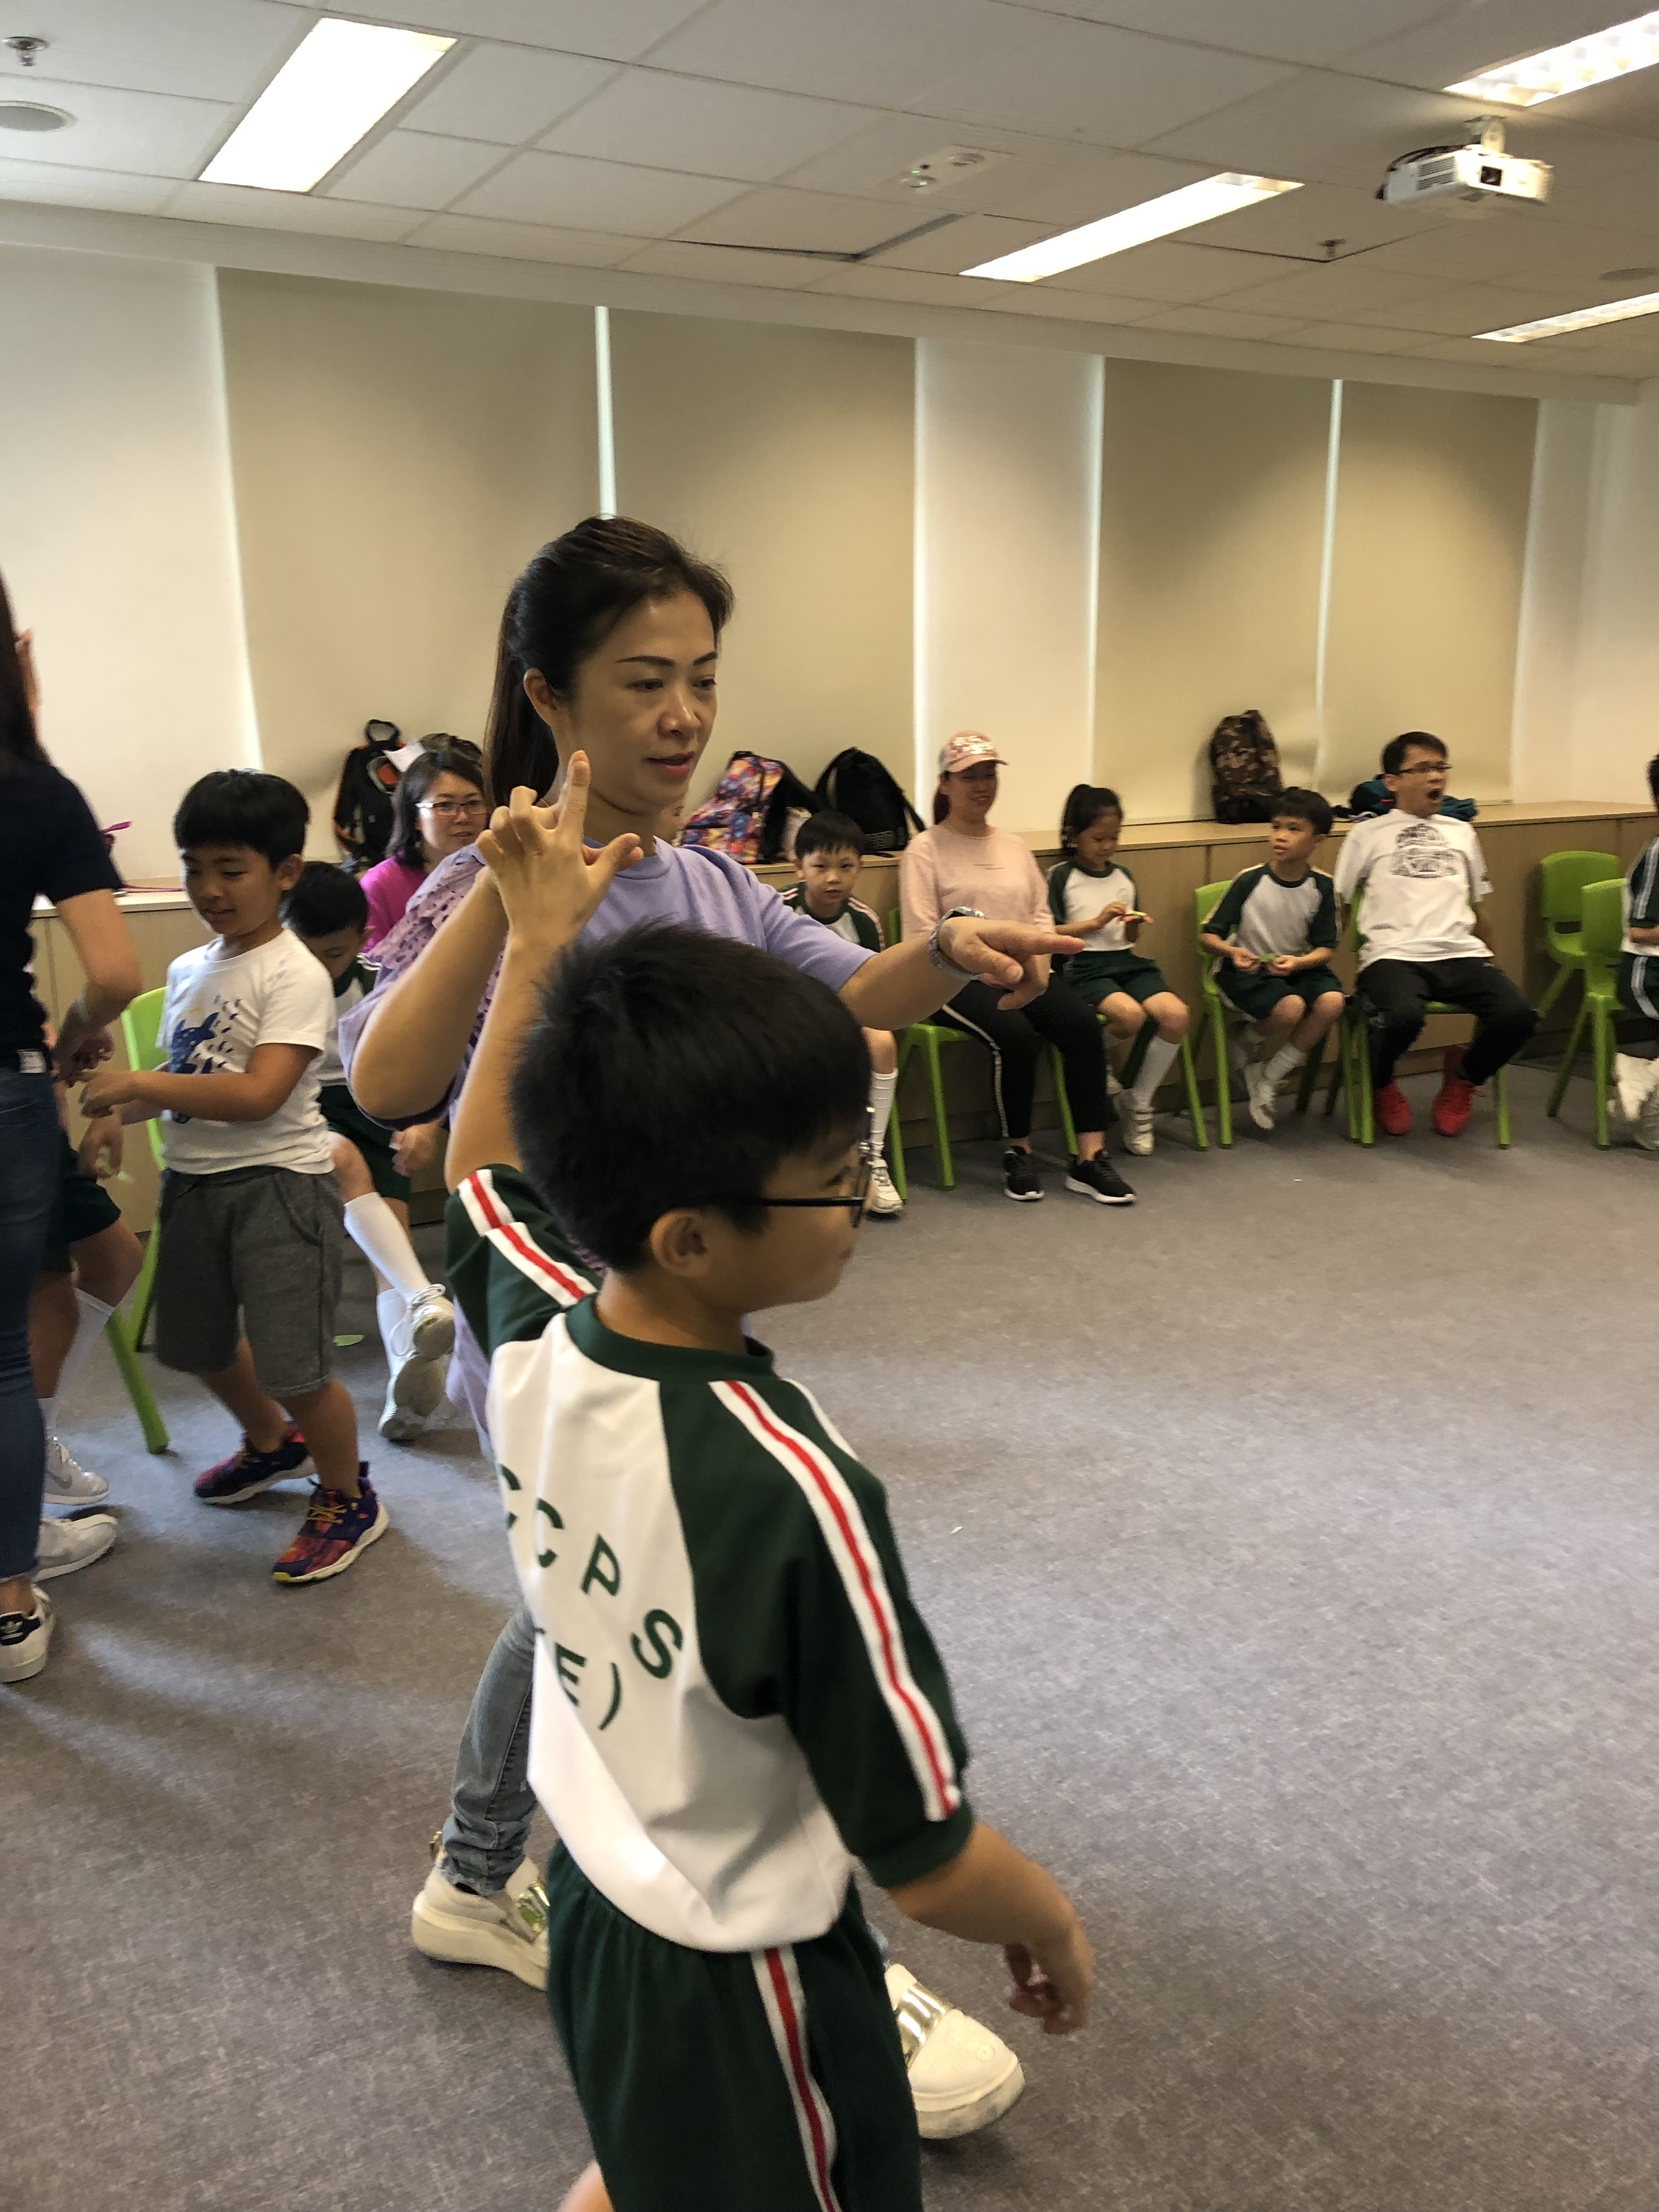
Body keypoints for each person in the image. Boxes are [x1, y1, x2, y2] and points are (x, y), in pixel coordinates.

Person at [345, 520, 1069, 2137]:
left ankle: (484, 1873)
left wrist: (946, 949)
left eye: (703, 681)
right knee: (678, 1611)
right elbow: (389, 1084)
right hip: (548, 1297)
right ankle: (776, 1930)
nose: (682, 716)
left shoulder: (710, 878)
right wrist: (518, 910)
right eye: (642, 681)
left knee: (584, 1601)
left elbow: (839, 997)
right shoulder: (491, 872)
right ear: (551, 696)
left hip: (682, 1290)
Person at [443, 781, 1093, 2212]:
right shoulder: (795, 1485)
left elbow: (479, 1169)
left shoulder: (538, 1342)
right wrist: (1048, 1921)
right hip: (754, 1983)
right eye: (834, 1177)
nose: (858, 1196)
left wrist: (538, 939)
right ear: (690, 1237)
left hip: (597, 1914)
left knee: (652, 2167)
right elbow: (925, 1860)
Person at [80, 771, 386, 1585]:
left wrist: (136, 1082)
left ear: (285, 873)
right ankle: (271, 1443)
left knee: (299, 1370)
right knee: (198, 1345)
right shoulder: (190, 969)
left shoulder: (293, 973)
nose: (208, 889)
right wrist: (119, 1112)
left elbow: (257, 1095)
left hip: (279, 1190)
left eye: (230, 869)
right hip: (193, 1187)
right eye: (194, 868)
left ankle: (348, 1495)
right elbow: (186, 1080)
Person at [0, 580, 140, 1683]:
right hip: (4, 1075)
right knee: (5, 1346)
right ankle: (9, 1598)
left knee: (93, 1264)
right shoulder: (34, 791)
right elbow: (115, 971)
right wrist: (84, 1031)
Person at [899, 737, 1131, 1204]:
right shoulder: (924, 849)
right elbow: (921, 935)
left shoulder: (1015, 847)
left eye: (989, 775)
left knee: (1082, 1025)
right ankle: (1018, 1151)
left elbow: (1040, 919)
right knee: (1016, 1035)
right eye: (969, 776)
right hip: (952, 979)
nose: (982, 785)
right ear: (945, 783)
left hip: (1024, 970)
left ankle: (1090, 1158)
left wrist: (1038, 971)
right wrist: (986, 968)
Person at [281, 862, 454, 1440]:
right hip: (299, 1108)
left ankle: (405, 1386)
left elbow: (428, 1058)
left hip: (372, 1107)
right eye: (303, 952)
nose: (317, 968)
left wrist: (424, 1122)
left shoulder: (383, 982)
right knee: (342, 1159)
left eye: (332, 954)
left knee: (391, 1245)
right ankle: (424, 1297)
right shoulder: (270, 984)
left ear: (363, 940)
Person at [1332, 733, 1537, 1138]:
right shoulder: (1367, 834)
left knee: (1517, 1017)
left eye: (1441, 768)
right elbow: (1339, 903)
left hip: (1460, 953)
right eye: (1423, 769)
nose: (1436, 777)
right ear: (1392, 781)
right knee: (1401, 1018)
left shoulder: (1461, 832)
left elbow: (1479, 908)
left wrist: (1490, 964)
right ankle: (1381, 1083)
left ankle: (1464, 1077)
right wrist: (1324, 957)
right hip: (1392, 954)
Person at [1045, 783, 1191, 1161]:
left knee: (1176, 1015)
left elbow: (1129, 937)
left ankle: (1138, 1102)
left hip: (1126, 961)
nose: (1107, 846)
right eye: (1098, 838)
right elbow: (1048, 932)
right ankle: (1095, 1058)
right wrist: (1094, 923)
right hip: (1084, 966)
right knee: (1129, 1017)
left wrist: (1133, 924)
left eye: (1114, 838)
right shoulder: (1061, 876)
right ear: (1073, 836)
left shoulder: (1123, 875)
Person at [1198, 788, 1345, 1131]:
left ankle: (1269, 1075)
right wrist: (1232, 952)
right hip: (1246, 971)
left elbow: (1326, 948)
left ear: (1318, 840)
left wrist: (1300, 963)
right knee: (1291, 1008)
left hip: (1297, 967)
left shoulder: (1323, 887)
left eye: (1294, 829)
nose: (1281, 836)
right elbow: (1208, 935)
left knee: (1333, 1001)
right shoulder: (1250, 880)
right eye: (1276, 826)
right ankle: (1247, 1038)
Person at [781, 808, 902, 1218]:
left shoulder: (865, 921)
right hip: (792, 1016)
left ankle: (872, 1157)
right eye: (821, 866)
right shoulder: (780, 910)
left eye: (846, 866)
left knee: (882, 1042)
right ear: (799, 867)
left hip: (848, 1014)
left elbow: (878, 985)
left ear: (860, 868)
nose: (833, 878)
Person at [359, 741, 488, 952]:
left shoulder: (499, 872)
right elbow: (373, 967)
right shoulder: (379, 886)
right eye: (445, 805)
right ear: (415, 817)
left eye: (473, 803)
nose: (463, 817)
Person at [1614, 751, 1659, 1148]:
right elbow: (1640, 932)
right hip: (1649, 974)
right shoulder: (1657, 855)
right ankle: (1639, 1078)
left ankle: (1643, 1079)